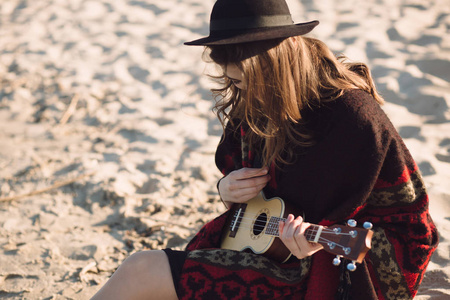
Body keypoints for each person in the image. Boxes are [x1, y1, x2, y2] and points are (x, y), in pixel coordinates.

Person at [91, 0, 438, 299]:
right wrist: (227, 189)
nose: (236, 90)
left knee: (142, 270)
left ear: (269, 67)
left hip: (353, 268)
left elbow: (413, 228)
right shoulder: (261, 101)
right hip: (274, 246)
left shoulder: (354, 117)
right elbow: (249, 187)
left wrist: (320, 241)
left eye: (242, 80)